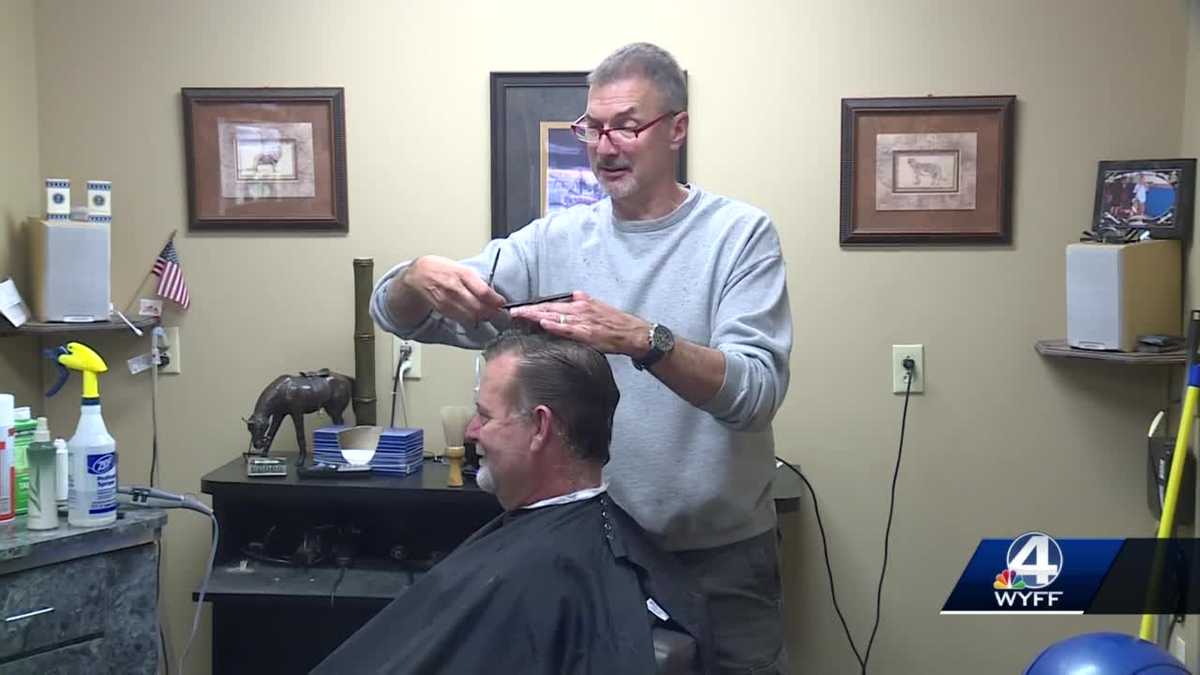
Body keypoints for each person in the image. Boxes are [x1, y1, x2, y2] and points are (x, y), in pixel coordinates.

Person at [370, 42, 793, 673]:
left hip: (720, 560)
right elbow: (404, 314)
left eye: (626, 125)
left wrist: (642, 339)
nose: (604, 145)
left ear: (676, 129)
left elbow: (755, 394)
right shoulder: (554, 240)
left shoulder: (740, 237)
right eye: (592, 128)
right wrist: (414, 278)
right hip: (596, 553)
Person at [313, 331, 712, 674]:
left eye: (484, 416)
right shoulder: (587, 546)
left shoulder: (547, 573)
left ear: (540, 427)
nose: (471, 432)